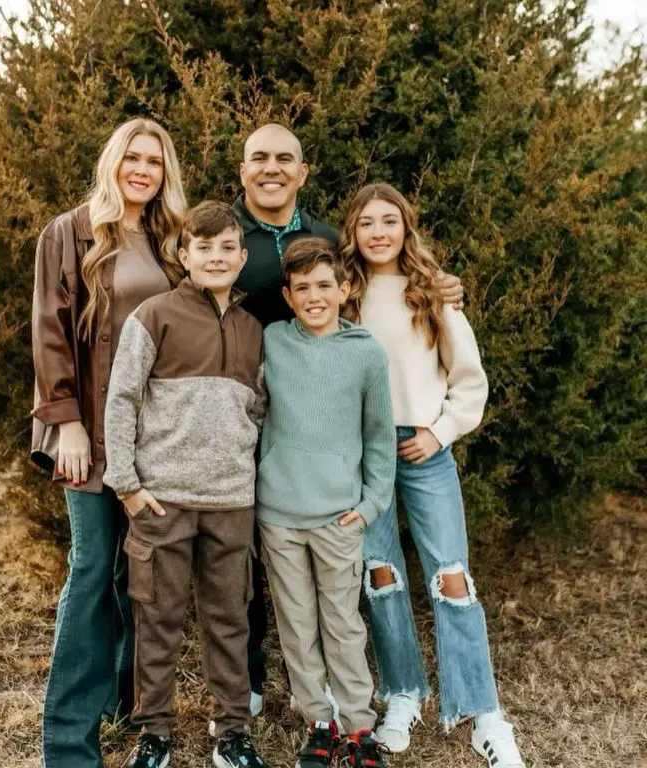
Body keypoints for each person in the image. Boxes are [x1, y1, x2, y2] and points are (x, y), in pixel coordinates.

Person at [233, 123, 466, 716]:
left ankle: (385, 704)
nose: (272, 168)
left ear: (302, 171)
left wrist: (436, 284)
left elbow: (377, 288)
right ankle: (261, 682)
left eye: (285, 158)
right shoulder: (227, 235)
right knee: (270, 581)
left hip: (341, 437)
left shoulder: (330, 243)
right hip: (260, 417)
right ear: (243, 170)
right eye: (259, 157)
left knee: (354, 592)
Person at [340, 182, 526, 768]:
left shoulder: (432, 295)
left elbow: (469, 379)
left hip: (423, 447)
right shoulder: (343, 295)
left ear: (406, 228)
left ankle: (483, 712)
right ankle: (403, 693)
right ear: (352, 232)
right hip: (362, 455)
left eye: (389, 221)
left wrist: (438, 432)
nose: (378, 232)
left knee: (451, 575)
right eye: (366, 222)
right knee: (382, 575)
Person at [30, 117, 186, 768]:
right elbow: (50, 329)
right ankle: (68, 743)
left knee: (137, 576)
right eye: (132, 157)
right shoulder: (69, 232)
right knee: (93, 569)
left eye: (154, 161)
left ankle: (123, 700)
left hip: (156, 433)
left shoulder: (172, 237)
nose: (142, 170)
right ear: (113, 161)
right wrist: (64, 421)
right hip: (88, 432)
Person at [103, 201, 269, 768]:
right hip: (162, 499)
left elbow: (262, 413)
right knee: (159, 618)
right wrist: (126, 484)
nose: (216, 257)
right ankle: (155, 734)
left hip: (231, 502)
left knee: (230, 619)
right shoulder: (154, 316)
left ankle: (232, 734)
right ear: (184, 254)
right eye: (205, 247)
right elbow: (121, 398)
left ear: (243, 257)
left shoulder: (254, 331)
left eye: (228, 248)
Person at [256, 237, 395, 768]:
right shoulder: (272, 341)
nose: (314, 297)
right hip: (279, 513)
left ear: (344, 288)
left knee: (342, 620)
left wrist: (371, 503)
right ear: (288, 297)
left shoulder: (365, 352)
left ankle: (359, 725)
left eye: (324, 286)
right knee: (295, 619)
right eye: (302, 289)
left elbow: (380, 437)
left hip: (340, 515)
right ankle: (319, 721)